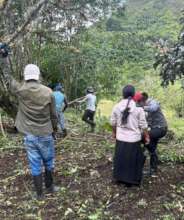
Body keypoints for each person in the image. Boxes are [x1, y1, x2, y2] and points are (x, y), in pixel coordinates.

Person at [1, 63, 58, 200]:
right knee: (49, 162)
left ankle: (39, 195)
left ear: (26, 76)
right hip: (46, 133)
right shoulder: (49, 92)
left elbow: (8, 79)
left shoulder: (20, 90)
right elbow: (53, 115)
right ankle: (50, 187)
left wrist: (4, 58)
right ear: (38, 76)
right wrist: (54, 130)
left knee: (35, 164)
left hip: (30, 135)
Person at [111, 85, 149, 187]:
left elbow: (113, 123)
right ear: (133, 95)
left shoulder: (116, 107)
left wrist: (115, 133)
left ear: (123, 94)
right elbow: (143, 126)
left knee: (121, 158)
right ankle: (131, 181)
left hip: (121, 138)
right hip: (133, 139)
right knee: (132, 160)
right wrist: (147, 136)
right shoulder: (138, 109)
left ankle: (119, 178)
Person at [138, 92, 168, 175]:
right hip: (155, 129)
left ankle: (150, 153)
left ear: (143, 101)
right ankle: (153, 170)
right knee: (152, 147)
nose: (138, 104)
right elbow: (147, 123)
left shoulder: (153, 102)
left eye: (139, 102)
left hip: (161, 128)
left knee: (142, 137)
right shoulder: (146, 109)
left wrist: (141, 107)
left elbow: (154, 108)